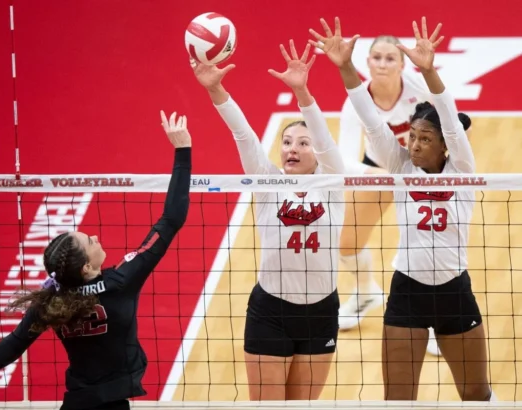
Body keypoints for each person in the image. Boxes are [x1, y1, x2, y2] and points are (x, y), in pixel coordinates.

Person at [0, 110, 193, 410]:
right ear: (86, 267)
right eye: (91, 242)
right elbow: (171, 220)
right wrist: (182, 152)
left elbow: (16, 342)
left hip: (77, 402)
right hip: (113, 401)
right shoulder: (121, 282)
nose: (97, 239)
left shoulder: (50, 300)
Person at [310, 16, 495, 400]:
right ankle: (365, 293)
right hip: (406, 292)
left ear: (445, 145)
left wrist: (428, 70)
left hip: (454, 292)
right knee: (397, 401)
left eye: (424, 138)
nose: (413, 144)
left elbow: (449, 116)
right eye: (411, 136)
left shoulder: (462, 167)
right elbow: (370, 121)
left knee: (477, 395)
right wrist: (345, 67)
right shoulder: (398, 169)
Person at [191, 41, 345, 400]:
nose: (292, 148)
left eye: (303, 143)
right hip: (270, 311)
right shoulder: (266, 182)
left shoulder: (332, 181)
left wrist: (301, 91)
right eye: (287, 141)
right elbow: (243, 134)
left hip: (320, 313)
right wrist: (215, 88)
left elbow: (325, 139)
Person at [335, 34, 441, 357]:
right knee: (346, 242)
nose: (382, 64)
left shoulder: (419, 90)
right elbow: (343, 159)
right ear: (366, 62)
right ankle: (366, 291)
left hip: (422, 175)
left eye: (389, 58)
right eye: (376, 58)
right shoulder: (355, 102)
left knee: (426, 251)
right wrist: (379, 176)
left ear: (402, 63)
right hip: (379, 172)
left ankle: (437, 322)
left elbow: (449, 126)